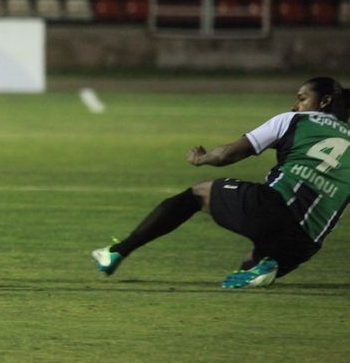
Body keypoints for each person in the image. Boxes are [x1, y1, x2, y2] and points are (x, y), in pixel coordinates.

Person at [92, 77, 350, 289]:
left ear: (324, 101)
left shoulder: (293, 121)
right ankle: (268, 264)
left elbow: (229, 154)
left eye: (302, 98)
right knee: (250, 265)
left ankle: (117, 251)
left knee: (197, 194)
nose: (295, 105)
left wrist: (203, 158)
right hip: (306, 243)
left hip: (273, 209)